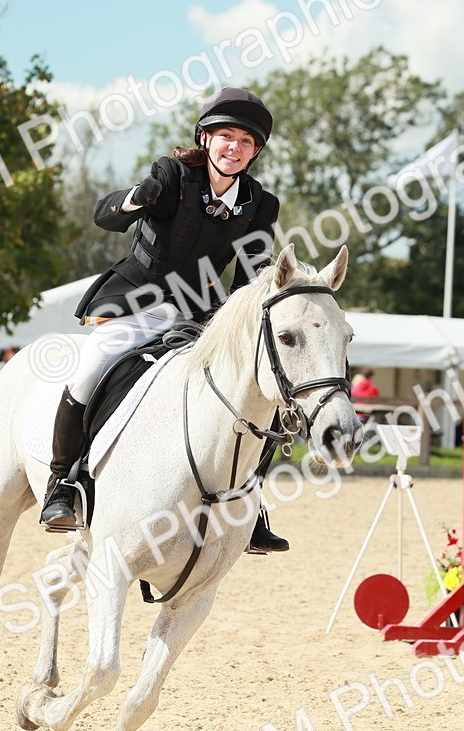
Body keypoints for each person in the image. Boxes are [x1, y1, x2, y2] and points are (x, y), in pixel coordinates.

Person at [39, 86, 287, 553]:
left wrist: (237, 326)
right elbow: (104, 217)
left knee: (257, 388)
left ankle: (250, 505)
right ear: (206, 138)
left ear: (255, 153)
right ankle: (63, 485)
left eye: (246, 142)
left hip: (201, 311)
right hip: (139, 298)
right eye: (226, 136)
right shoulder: (171, 175)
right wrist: (138, 197)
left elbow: (250, 276)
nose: (234, 147)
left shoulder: (261, 204)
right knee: (93, 365)